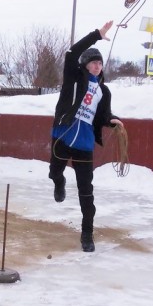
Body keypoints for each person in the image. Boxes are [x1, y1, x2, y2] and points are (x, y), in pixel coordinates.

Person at [49, 20, 124, 252]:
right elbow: (71, 52)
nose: (97, 66)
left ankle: (87, 234)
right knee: (54, 172)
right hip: (63, 135)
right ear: (85, 64)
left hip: (83, 144)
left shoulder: (104, 90)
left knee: (87, 193)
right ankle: (59, 182)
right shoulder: (74, 77)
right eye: (93, 62)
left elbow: (102, 116)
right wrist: (97, 35)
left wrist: (112, 121)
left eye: (100, 63)